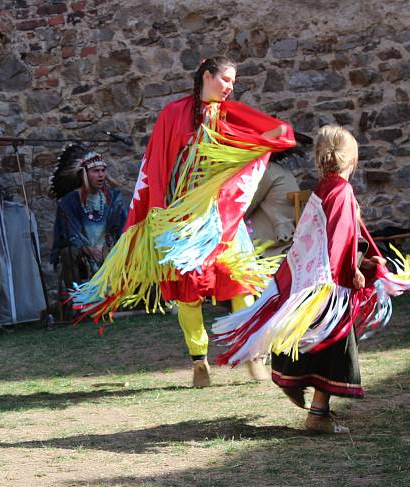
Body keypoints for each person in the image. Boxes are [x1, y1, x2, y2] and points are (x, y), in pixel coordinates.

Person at [69, 56, 294, 388]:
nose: (231, 86)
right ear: (206, 75)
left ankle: (251, 354)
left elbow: (270, 132)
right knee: (188, 295)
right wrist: (157, 214)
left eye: (234, 81)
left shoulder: (230, 114)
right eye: (226, 79)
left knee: (242, 283)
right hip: (182, 223)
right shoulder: (173, 115)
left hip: (222, 217)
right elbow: (155, 164)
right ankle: (199, 361)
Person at [213, 125, 410, 433]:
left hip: (311, 279)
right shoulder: (341, 191)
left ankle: (295, 385)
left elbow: (331, 236)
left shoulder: (324, 187)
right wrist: (354, 274)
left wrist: (362, 260)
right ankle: (318, 415)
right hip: (330, 286)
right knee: (334, 344)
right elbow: (337, 241)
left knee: (310, 339)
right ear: (353, 160)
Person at [50, 145, 127, 318]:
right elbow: (70, 232)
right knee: (68, 253)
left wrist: (111, 246)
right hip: (83, 252)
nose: (100, 175)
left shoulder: (113, 198)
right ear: (84, 174)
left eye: (103, 170)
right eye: (95, 171)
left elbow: (123, 226)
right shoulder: (70, 202)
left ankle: (123, 300)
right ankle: (76, 304)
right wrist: (87, 248)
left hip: (109, 248)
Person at [245, 158, 298, 257]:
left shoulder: (269, 170)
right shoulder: (281, 171)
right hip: (284, 237)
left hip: (271, 245)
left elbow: (243, 208)